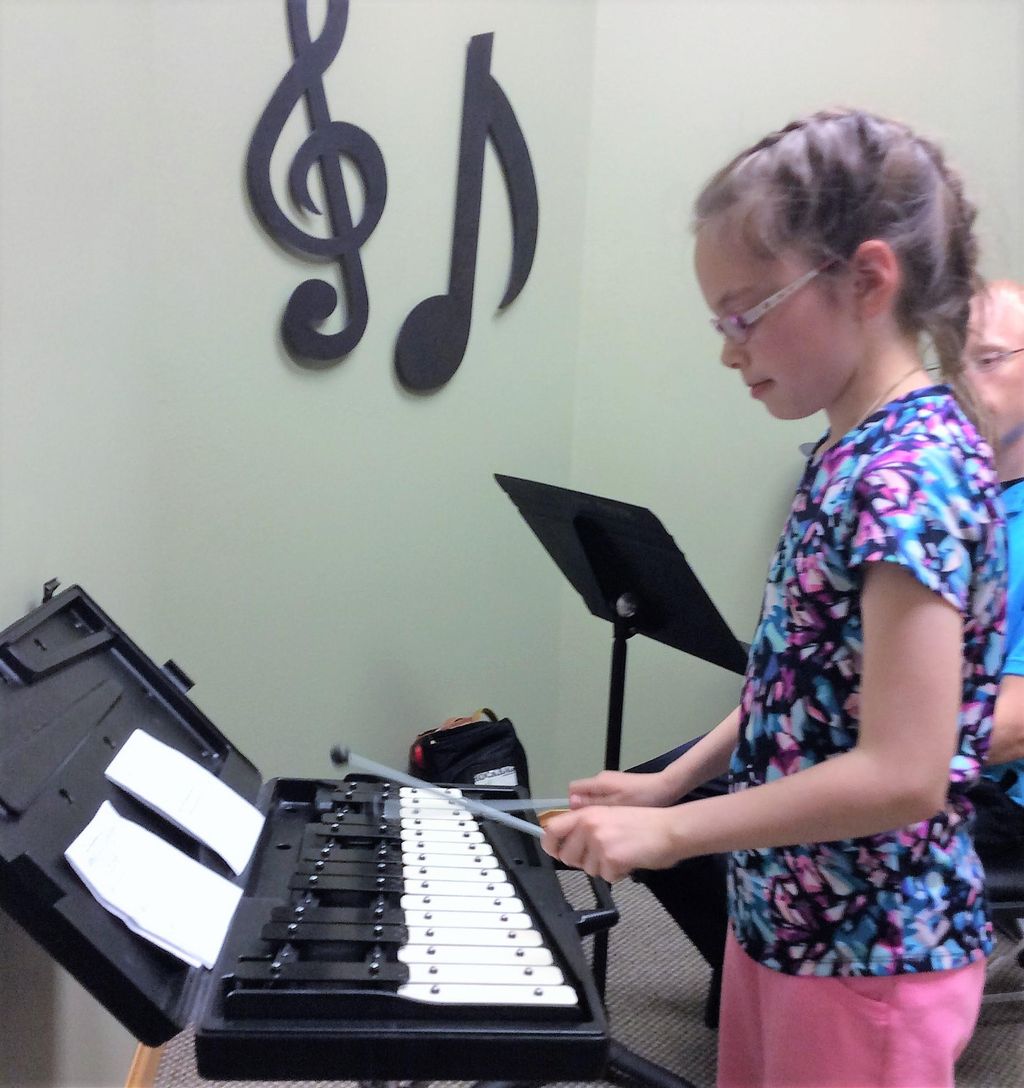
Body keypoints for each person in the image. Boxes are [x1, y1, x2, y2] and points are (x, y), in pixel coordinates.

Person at [541, 109, 1006, 1088]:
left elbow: (905, 771)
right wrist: (673, 781)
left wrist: (672, 833)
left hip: (870, 949)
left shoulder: (915, 473)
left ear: (867, 280)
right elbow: (789, 682)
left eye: (745, 312)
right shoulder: (846, 450)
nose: (728, 349)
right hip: (784, 908)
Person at [964, 281, 1024, 855]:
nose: (964, 384)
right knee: (690, 791)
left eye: (988, 360)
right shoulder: (955, 497)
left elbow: (1012, 728)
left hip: (1003, 796)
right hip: (926, 754)